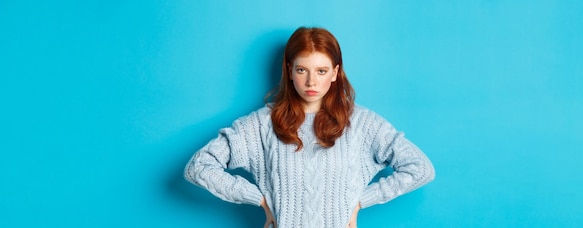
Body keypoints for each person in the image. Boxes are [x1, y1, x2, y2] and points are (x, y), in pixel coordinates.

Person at [184, 26, 435, 228]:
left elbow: (420, 168)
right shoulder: (261, 124)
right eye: (302, 69)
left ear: (335, 73)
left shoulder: (361, 124)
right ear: (289, 71)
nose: (311, 81)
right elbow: (199, 167)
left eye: (322, 70)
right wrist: (259, 199)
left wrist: (359, 201)